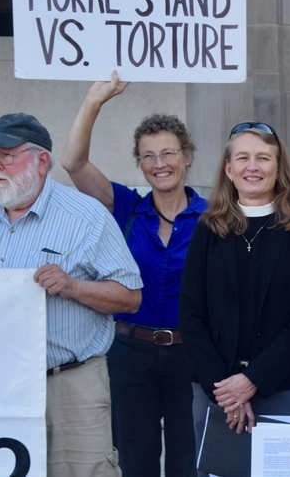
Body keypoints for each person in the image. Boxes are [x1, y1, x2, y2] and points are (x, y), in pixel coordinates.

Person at [0, 113, 143, 477]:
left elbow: (130, 297)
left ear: (42, 160)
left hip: (69, 384)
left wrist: (74, 286)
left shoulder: (86, 216)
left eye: (6, 155)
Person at [62, 71, 206, 477]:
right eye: (148, 155)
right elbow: (72, 162)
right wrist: (95, 101)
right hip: (129, 353)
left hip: (190, 355)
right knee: (133, 461)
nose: (160, 164)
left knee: (187, 461)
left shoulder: (213, 218)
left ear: (188, 155)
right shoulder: (125, 206)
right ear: (140, 163)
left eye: (169, 152)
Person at [179, 122, 290, 463]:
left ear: (278, 168)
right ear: (229, 169)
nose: (253, 167)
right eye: (243, 158)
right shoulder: (207, 231)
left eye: (263, 158)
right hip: (216, 388)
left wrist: (252, 380)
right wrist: (227, 391)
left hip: (285, 388)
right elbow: (190, 315)